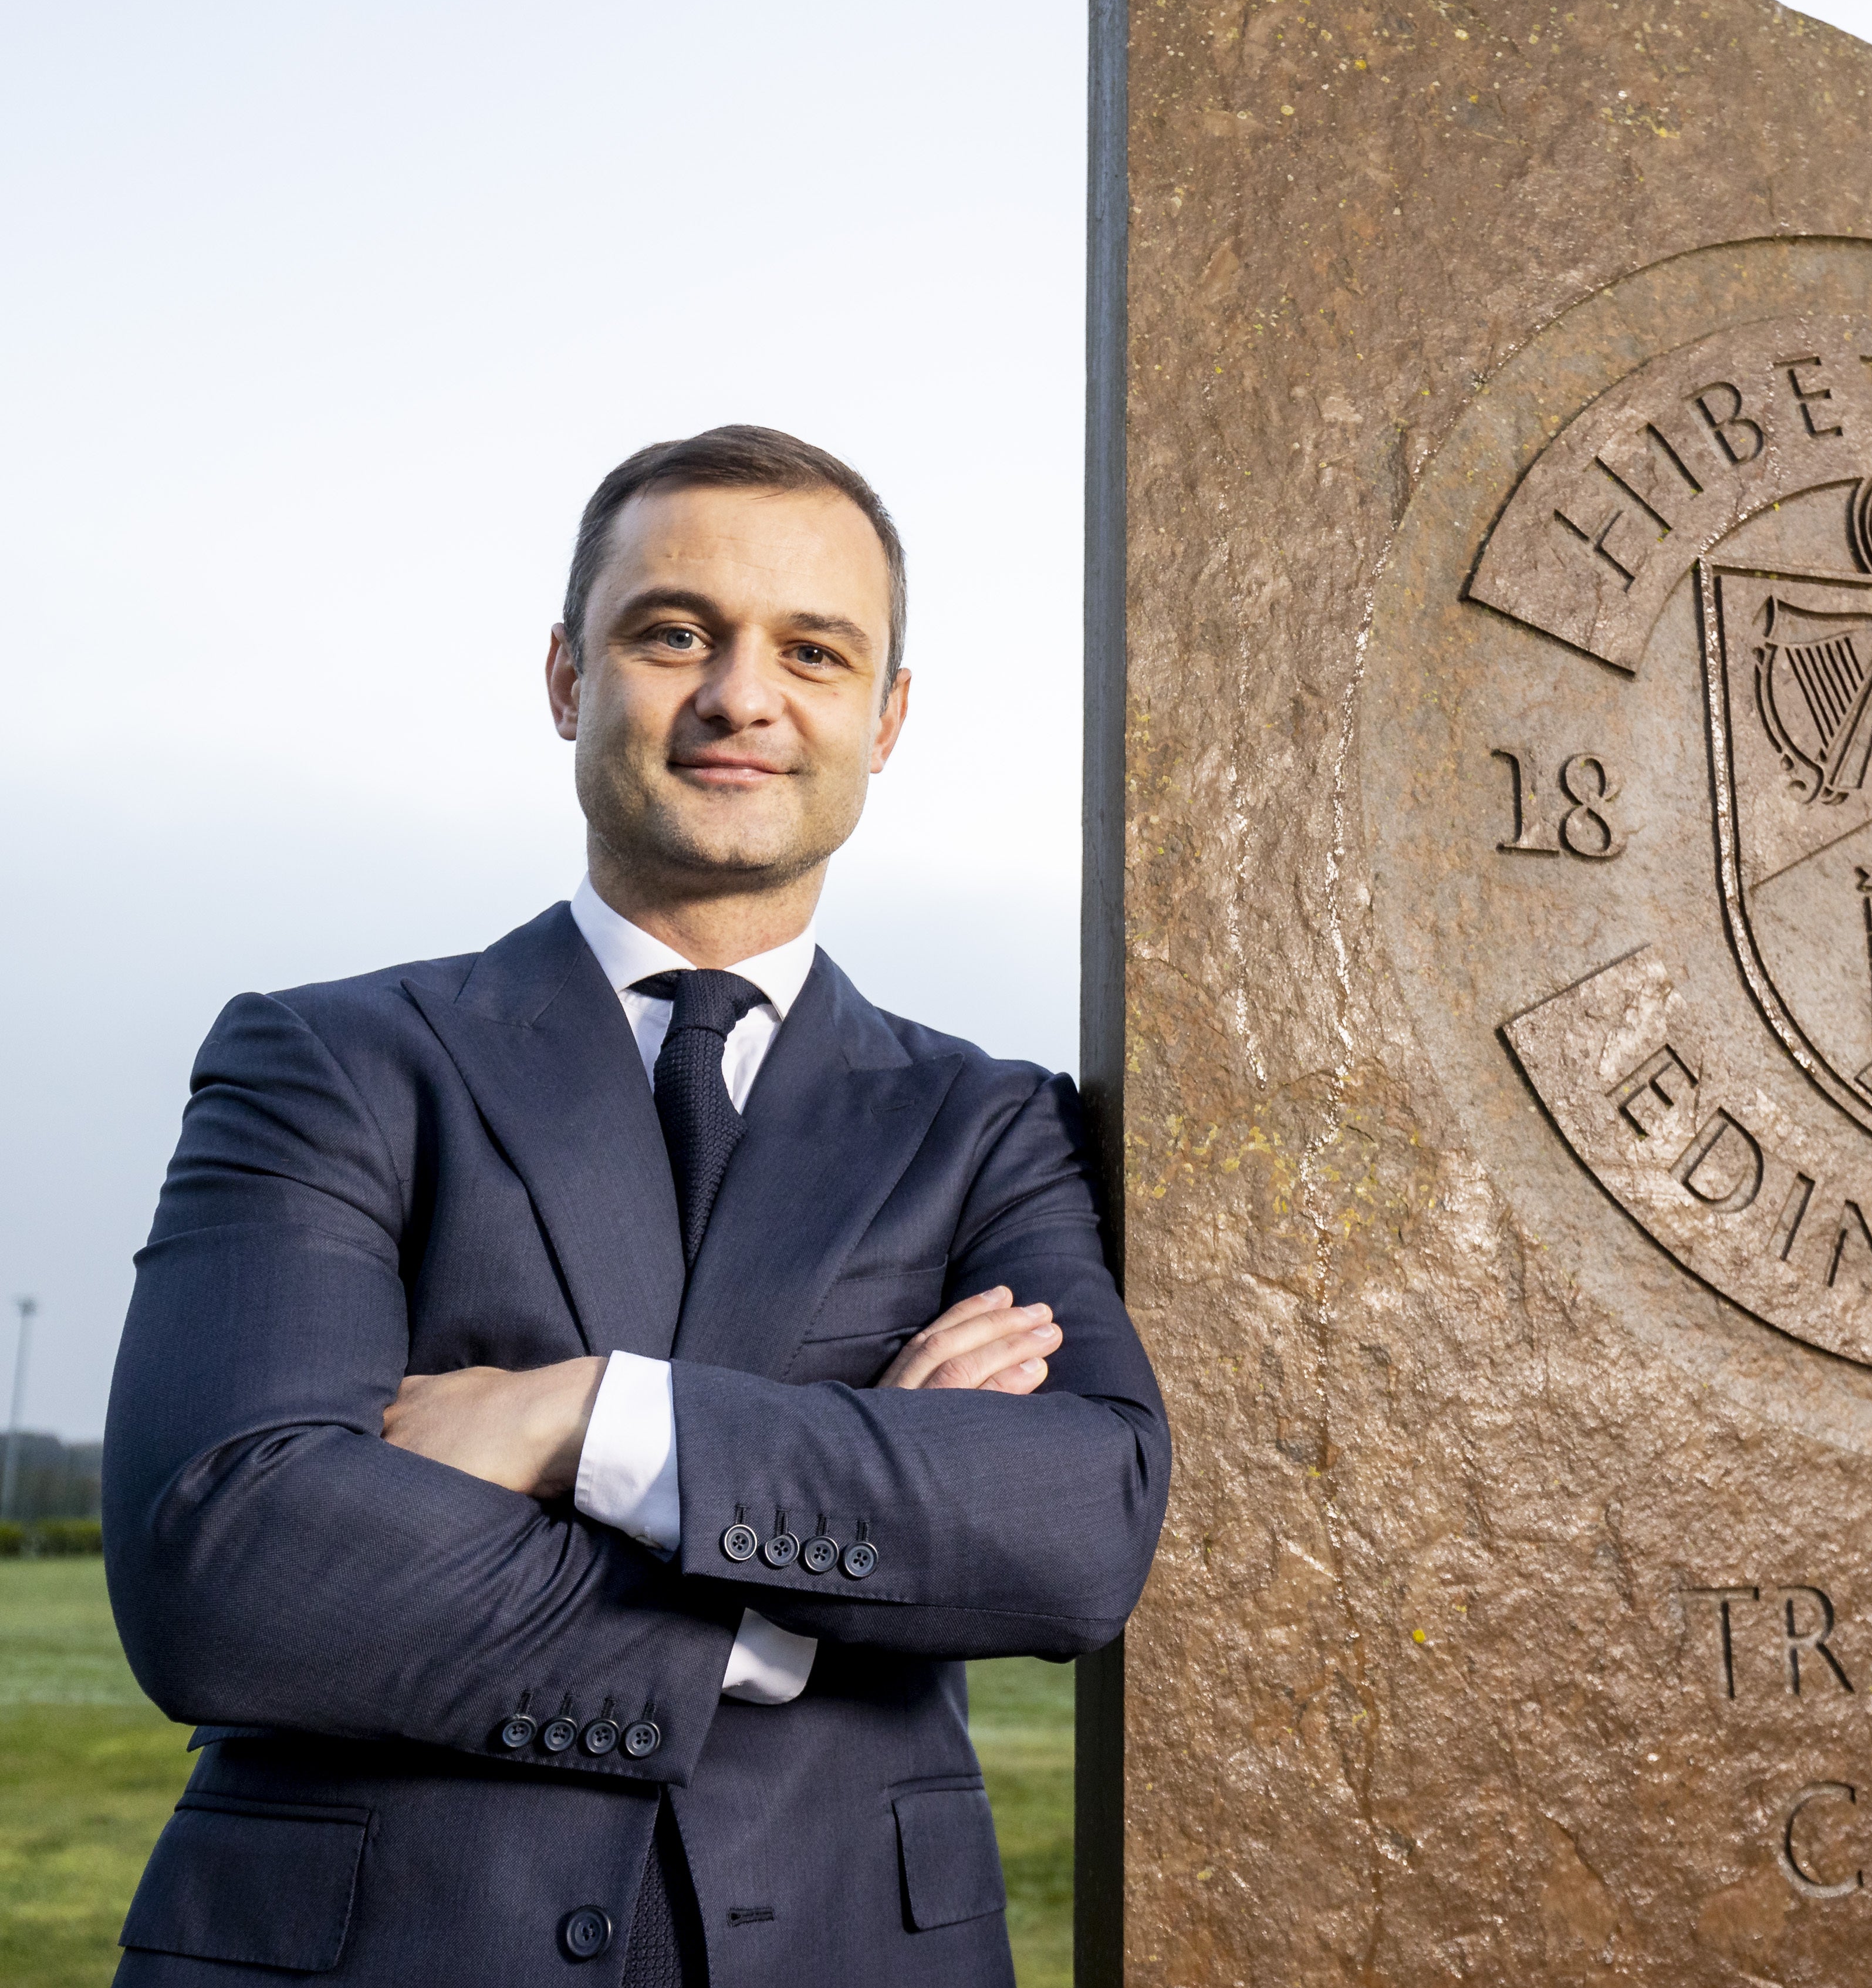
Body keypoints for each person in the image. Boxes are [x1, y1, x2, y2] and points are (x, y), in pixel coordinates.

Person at [100, 425, 1168, 1986]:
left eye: (814, 649)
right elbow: (228, 1562)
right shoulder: (329, 1058)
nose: (744, 695)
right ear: (564, 678)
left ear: (888, 717)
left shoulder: (988, 1120)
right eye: (677, 633)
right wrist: (794, 1597)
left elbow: (1076, 1523)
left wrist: (588, 1421)